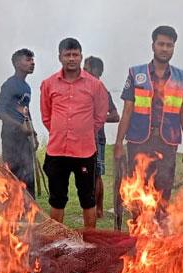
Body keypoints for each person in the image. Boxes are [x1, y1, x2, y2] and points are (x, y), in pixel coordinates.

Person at [113, 25, 183, 203]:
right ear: (153, 46)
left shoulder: (181, 77)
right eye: (161, 44)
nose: (165, 49)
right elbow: (127, 110)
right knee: (137, 188)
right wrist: (119, 142)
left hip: (167, 142)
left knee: (163, 189)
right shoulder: (136, 73)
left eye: (169, 45)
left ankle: (159, 227)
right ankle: (138, 226)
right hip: (139, 139)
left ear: (173, 47)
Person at [39, 38, 108, 228]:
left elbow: (100, 115)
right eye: (67, 55)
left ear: (81, 56)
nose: (71, 59)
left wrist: (84, 131)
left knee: (88, 198)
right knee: (57, 199)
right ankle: (56, 242)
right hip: (57, 151)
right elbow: (46, 116)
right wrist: (59, 132)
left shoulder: (95, 85)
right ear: (60, 57)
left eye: (75, 54)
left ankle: (90, 242)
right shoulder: (48, 84)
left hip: (84, 151)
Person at [0, 48, 37, 196]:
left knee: (28, 174)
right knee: (13, 175)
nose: (32, 63)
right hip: (10, 138)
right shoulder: (9, 85)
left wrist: (34, 133)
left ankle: (30, 208)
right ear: (17, 63)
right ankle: (13, 209)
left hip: (24, 138)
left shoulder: (26, 87)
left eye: (33, 60)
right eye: (28, 60)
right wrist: (19, 126)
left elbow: (26, 111)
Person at [82, 56, 120, 217]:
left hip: (97, 138)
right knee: (85, 173)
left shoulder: (102, 91)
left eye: (86, 67)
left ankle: (99, 210)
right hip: (81, 138)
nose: (82, 70)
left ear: (95, 71)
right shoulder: (82, 88)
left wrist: (94, 118)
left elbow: (115, 116)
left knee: (97, 174)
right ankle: (90, 208)